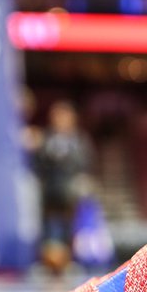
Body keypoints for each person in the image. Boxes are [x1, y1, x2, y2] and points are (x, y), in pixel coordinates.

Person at [35, 100, 96, 253]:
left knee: (70, 228)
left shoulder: (80, 140)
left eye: (64, 116)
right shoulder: (45, 138)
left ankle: (72, 255)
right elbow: (40, 162)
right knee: (51, 229)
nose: (60, 120)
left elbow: (85, 163)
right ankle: (51, 255)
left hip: (71, 193)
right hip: (50, 192)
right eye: (57, 116)